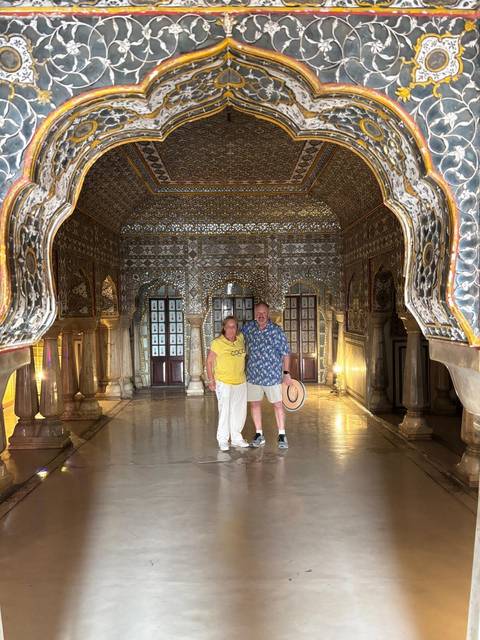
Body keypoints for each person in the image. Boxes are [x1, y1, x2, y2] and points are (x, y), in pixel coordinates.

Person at [242, 302, 292, 449]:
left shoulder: (277, 331)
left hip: (273, 375)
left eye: (264, 313)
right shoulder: (248, 328)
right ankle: (259, 434)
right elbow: (236, 340)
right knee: (255, 404)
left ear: (268, 314)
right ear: (254, 314)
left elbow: (285, 354)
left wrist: (286, 373)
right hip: (253, 375)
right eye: (258, 313)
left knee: (277, 404)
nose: (261, 316)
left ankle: (282, 434)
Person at [206, 315, 250, 452]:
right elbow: (209, 362)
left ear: (237, 328)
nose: (232, 329)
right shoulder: (217, 343)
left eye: (234, 326)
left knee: (239, 411)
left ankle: (236, 438)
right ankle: (223, 440)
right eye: (229, 326)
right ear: (224, 328)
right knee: (225, 411)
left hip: (240, 381)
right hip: (224, 382)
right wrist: (211, 380)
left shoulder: (241, 339)